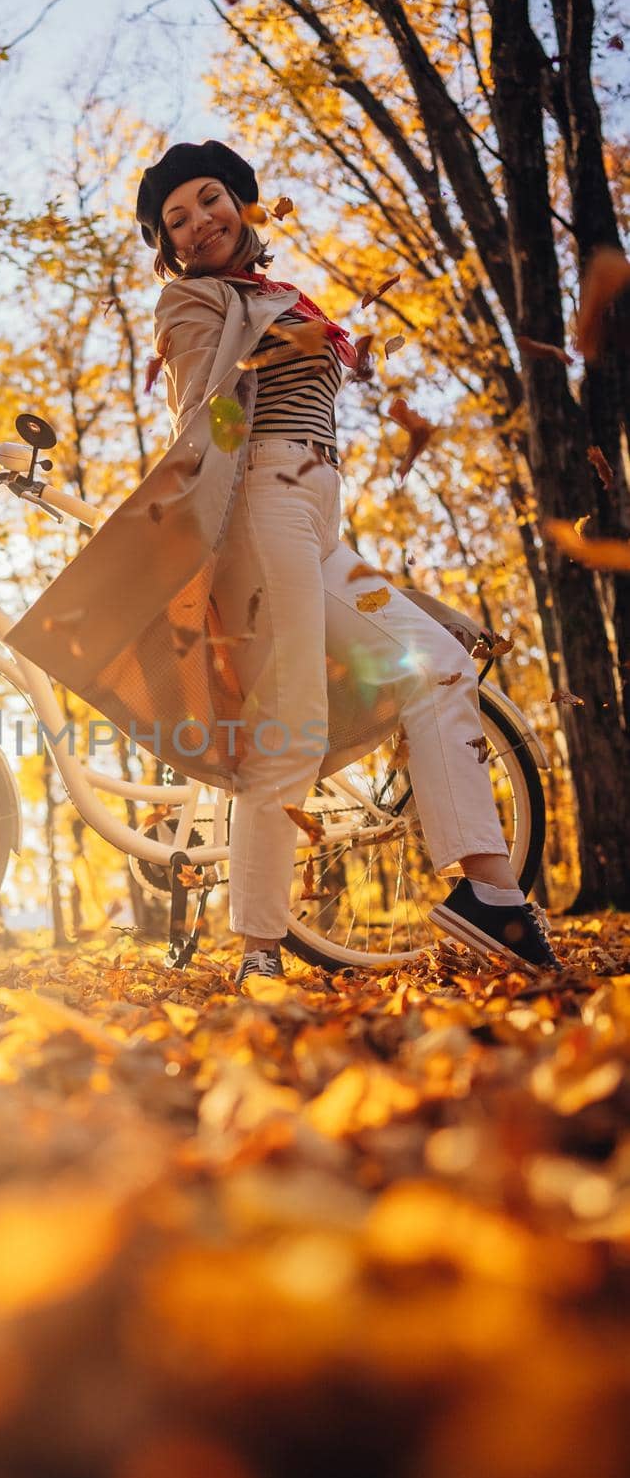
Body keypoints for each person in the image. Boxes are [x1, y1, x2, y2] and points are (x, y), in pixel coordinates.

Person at [133, 140, 561, 984]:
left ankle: (488, 899)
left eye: (209, 199)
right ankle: (259, 949)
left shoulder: (282, 295)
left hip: (316, 513)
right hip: (257, 505)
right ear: (169, 246)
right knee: (286, 719)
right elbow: (203, 422)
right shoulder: (191, 302)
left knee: (438, 666)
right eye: (175, 221)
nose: (197, 224)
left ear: (244, 201)